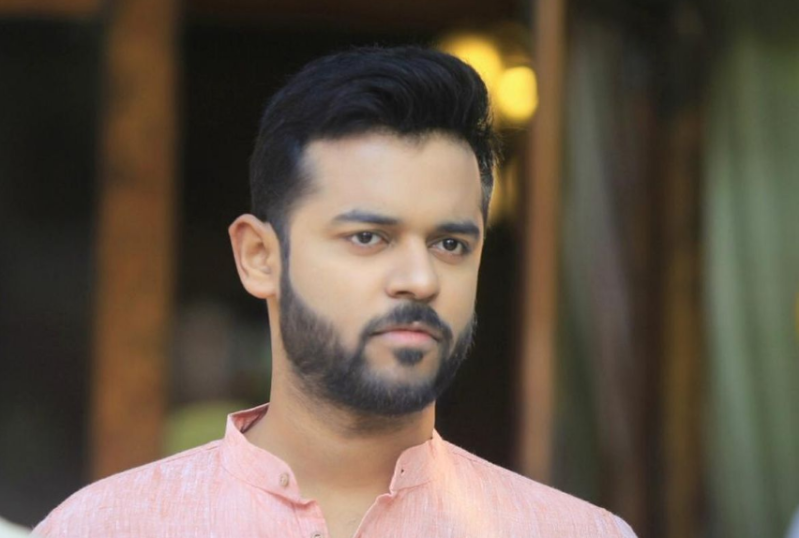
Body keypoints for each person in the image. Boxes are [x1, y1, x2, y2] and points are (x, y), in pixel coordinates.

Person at [34, 46, 636, 538]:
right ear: (259, 257)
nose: (421, 279)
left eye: (450, 244)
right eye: (369, 237)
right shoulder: (102, 529)